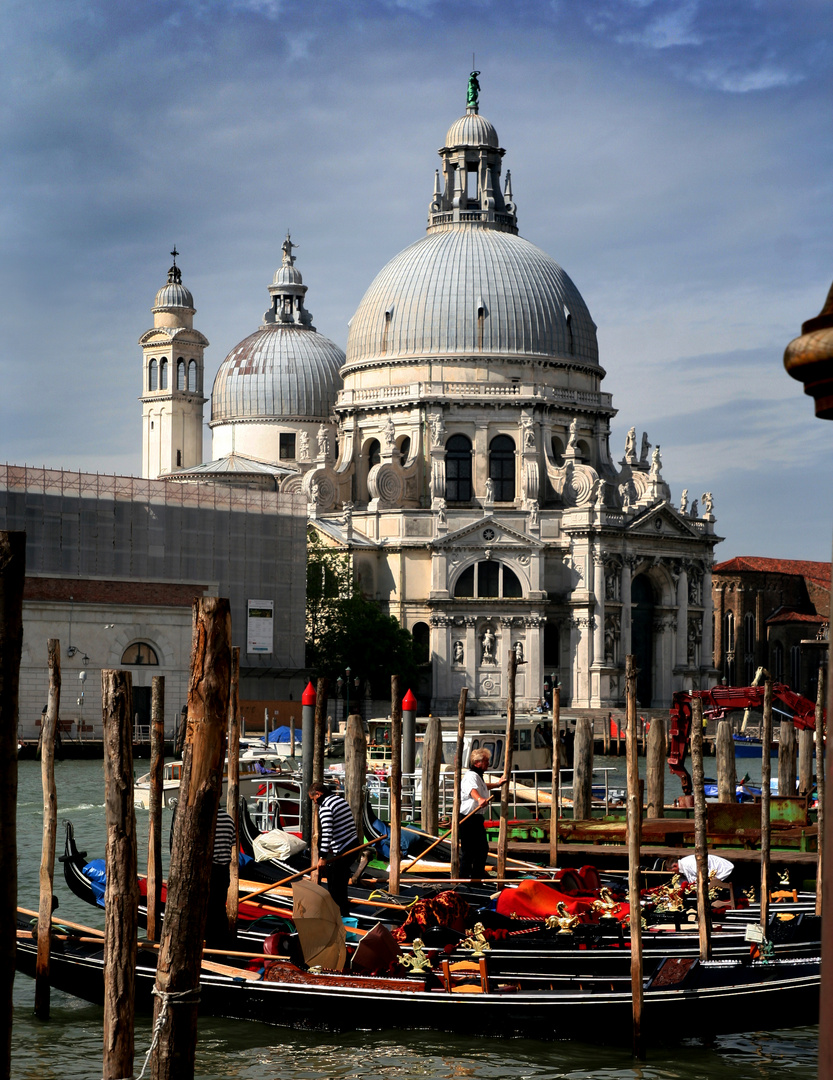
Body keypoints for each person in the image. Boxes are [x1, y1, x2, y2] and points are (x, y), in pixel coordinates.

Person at [308, 782, 358, 916]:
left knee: (335, 886)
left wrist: (322, 858)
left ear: (318, 794)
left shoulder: (325, 807)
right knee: (338, 881)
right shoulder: (339, 800)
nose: (315, 803)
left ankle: (340, 916)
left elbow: (327, 833)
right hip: (354, 844)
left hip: (344, 849)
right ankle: (342, 914)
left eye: (314, 799)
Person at [458, 748, 507, 880]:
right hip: (468, 818)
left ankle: (476, 878)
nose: (488, 763)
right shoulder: (470, 776)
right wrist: (479, 799)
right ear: (477, 762)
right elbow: (472, 790)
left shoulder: (477, 776)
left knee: (481, 849)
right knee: (469, 851)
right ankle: (464, 879)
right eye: (486, 761)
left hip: (477, 818)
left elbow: (483, 786)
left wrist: (497, 784)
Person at [206, 806, 237, 946]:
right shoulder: (229, 820)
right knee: (219, 908)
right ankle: (222, 943)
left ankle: (210, 943)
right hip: (224, 871)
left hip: (210, 870)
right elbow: (232, 844)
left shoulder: (205, 819)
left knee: (208, 909)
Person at [668, 853, 734, 884]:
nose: (675, 873)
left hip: (723, 870)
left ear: (675, 866)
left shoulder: (688, 863)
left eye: (673, 871)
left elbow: (702, 874)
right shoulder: (684, 865)